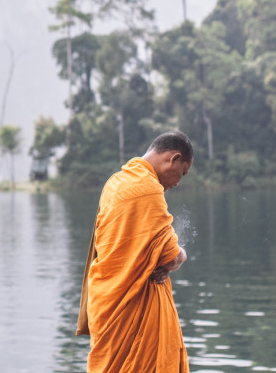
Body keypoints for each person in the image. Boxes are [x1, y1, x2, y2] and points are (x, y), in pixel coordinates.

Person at [76, 130, 193, 372]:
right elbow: (171, 254)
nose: (179, 182)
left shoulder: (115, 182)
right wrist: (182, 255)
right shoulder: (148, 189)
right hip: (132, 304)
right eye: (182, 172)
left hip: (107, 302)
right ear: (173, 158)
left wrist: (154, 259)